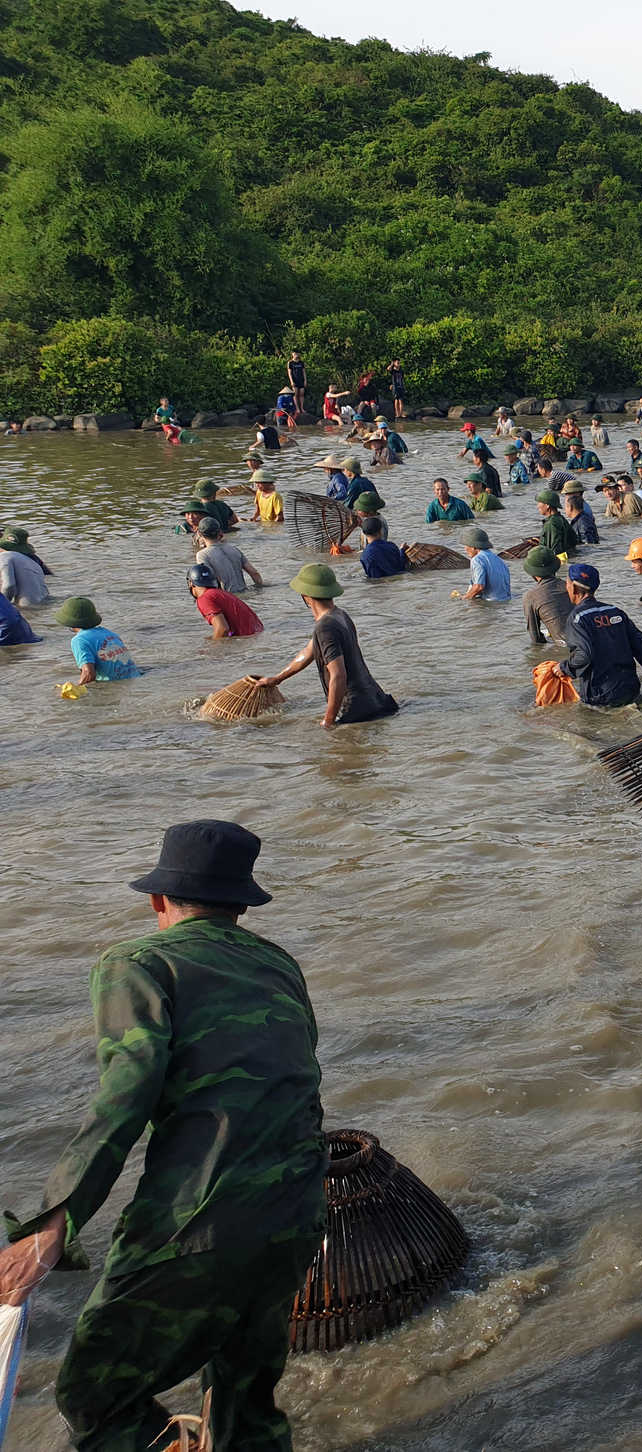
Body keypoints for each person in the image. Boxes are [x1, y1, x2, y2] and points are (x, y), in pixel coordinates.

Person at [0, 821, 328, 1452]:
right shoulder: (280, 963)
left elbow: (126, 1097)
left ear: (158, 901)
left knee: (94, 1396)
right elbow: (299, 1076)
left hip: (198, 1221)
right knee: (246, 1404)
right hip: (295, 1212)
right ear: (242, 904)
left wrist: (53, 1225)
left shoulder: (138, 963)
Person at [252, 566, 397, 726]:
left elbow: (339, 676)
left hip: (355, 710)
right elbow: (308, 652)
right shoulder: (340, 615)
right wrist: (277, 679)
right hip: (376, 699)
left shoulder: (325, 628)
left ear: (305, 596)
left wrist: (328, 721)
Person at [557, 563, 642, 705]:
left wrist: (563, 667)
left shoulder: (577, 618)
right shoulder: (615, 611)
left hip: (600, 695)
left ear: (573, 587)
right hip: (630, 688)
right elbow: (641, 646)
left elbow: (584, 655)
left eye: (566, 584)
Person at [57, 597, 138, 683]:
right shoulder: (109, 633)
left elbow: (88, 673)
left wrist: (76, 689)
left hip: (114, 686)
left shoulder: (79, 640)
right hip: (134, 680)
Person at [188, 563, 263, 638]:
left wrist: (211, 647)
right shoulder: (223, 594)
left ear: (191, 584)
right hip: (258, 634)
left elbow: (222, 628)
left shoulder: (204, 599)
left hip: (246, 639)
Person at [522, 545, 576, 642]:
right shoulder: (569, 586)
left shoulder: (530, 596)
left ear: (532, 572)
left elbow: (535, 637)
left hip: (565, 646)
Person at [195, 522, 262, 595]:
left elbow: (207, 580)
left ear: (199, 534)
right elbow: (254, 573)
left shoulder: (202, 555)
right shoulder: (234, 550)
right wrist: (260, 590)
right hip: (244, 592)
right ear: (220, 532)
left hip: (226, 596)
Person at [0, 525, 52, 605]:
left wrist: (3, 606)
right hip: (44, 603)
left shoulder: (4, 557)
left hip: (25, 608)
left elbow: (8, 586)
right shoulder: (33, 561)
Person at [460, 528, 511, 602]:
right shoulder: (499, 560)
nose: (465, 549)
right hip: (505, 600)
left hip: (491, 602)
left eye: (466, 546)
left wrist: (463, 598)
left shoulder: (477, 559)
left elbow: (479, 586)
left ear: (473, 547)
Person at [536, 489, 580, 560]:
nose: (537, 506)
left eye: (539, 503)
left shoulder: (552, 523)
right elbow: (574, 539)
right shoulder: (560, 518)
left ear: (547, 505)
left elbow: (555, 548)